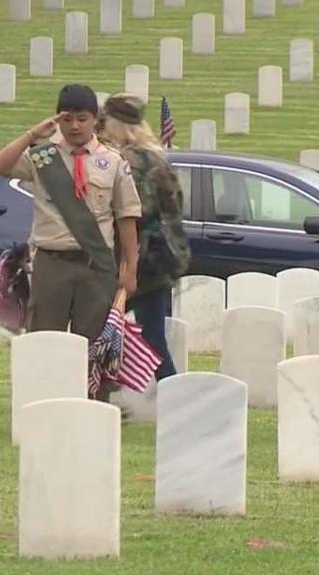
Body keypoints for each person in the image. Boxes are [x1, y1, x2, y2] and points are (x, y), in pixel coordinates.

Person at [0, 83, 142, 343]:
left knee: (93, 345)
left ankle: (88, 386)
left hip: (95, 264)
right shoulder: (43, 158)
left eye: (82, 119)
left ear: (95, 120)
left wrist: (131, 268)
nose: (75, 126)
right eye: (67, 119)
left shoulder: (113, 161)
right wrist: (32, 134)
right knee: (45, 342)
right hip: (51, 264)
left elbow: (127, 216)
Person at [97, 94, 191, 383]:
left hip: (136, 260)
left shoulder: (132, 161)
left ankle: (171, 395)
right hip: (160, 259)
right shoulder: (157, 157)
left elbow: (134, 211)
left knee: (111, 331)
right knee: (151, 336)